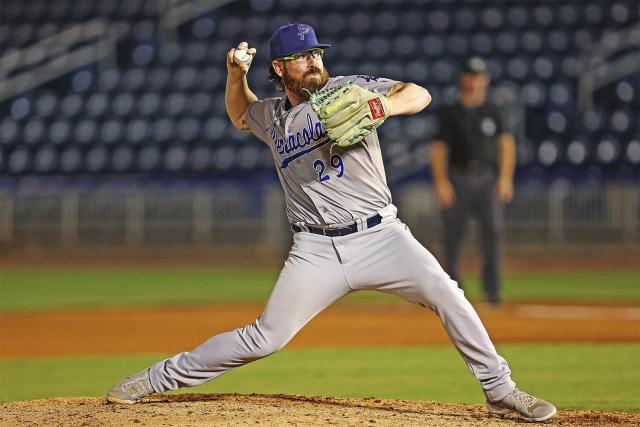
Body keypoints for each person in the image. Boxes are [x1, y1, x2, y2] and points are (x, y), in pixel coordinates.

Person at [106, 24, 555, 422]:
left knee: (447, 294)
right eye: (303, 57)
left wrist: (383, 109)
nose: (314, 61)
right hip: (315, 249)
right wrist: (235, 75)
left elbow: (419, 94)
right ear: (281, 68)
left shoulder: (348, 89)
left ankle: (501, 390)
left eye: (317, 53)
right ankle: (154, 378)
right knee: (266, 338)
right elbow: (241, 114)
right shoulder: (273, 118)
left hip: (382, 235)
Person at [430, 57, 516, 305]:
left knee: (493, 234)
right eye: (471, 75)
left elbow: (506, 145)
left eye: (479, 76)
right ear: (463, 78)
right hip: (458, 179)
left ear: (485, 80)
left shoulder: (493, 111)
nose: (475, 80)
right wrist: (441, 182)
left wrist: (506, 178)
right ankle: (453, 291)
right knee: (453, 237)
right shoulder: (451, 112)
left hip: (488, 179)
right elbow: (438, 149)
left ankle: (493, 291)